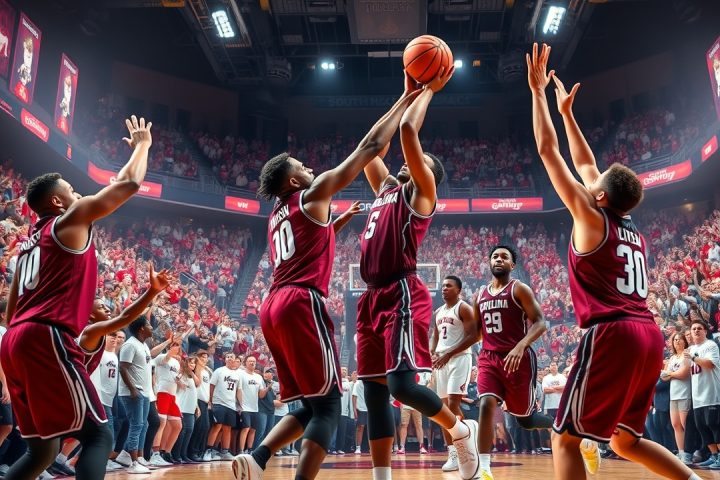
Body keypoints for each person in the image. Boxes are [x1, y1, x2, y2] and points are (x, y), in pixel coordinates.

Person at [232, 75, 423, 480]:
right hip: (300, 302)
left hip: (271, 305)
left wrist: (339, 223)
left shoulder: (277, 214)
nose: (310, 167)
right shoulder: (312, 193)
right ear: (293, 181)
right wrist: (406, 97)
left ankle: (258, 457)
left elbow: (307, 245)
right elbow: (370, 147)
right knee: (330, 407)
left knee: (309, 404)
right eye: (302, 167)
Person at [527, 42, 698, 480]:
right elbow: (585, 162)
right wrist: (567, 115)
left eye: (594, 181)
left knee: (564, 439)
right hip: (649, 334)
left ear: (599, 195)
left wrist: (537, 93)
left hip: (614, 333)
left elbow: (548, 152)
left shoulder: (590, 218)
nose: (589, 176)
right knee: (625, 440)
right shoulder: (627, 223)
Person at [0, 115, 152, 480]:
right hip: (45, 336)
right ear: (57, 201)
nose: (79, 193)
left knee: (43, 450)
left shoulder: (27, 247)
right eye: (71, 189)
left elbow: (10, 312)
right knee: (99, 434)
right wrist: (143, 145)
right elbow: (129, 183)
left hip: (15, 340)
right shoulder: (69, 220)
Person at [357, 67, 480, 480]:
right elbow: (370, 149)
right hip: (370, 296)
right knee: (374, 393)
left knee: (402, 387)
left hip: (401, 292)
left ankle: (460, 429)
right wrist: (403, 96)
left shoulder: (423, 194)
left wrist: (426, 91)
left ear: (427, 174)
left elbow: (408, 131)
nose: (407, 163)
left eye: (417, 162)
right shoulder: (386, 189)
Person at [474, 245, 551, 479]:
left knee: (526, 421)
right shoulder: (480, 295)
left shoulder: (519, 289)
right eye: (495, 256)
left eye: (504, 257)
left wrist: (521, 345)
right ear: (489, 263)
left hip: (517, 359)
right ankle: (484, 468)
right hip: (489, 357)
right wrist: (450, 349)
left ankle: (563, 423)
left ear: (512, 265)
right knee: (486, 404)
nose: (498, 259)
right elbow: (476, 333)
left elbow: (540, 322)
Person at [82, 264, 170, 471]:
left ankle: (126, 458)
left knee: (133, 426)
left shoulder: (140, 345)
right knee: (114, 431)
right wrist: (152, 292)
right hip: (102, 393)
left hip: (124, 393)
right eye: (102, 307)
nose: (107, 310)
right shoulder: (97, 335)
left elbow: (124, 319)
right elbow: (124, 319)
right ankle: (130, 460)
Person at [430, 275, 477, 472]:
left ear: (458, 290)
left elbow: (474, 336)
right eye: (443, 286)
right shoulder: (438, 312)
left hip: (459, 358)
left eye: (448, 286)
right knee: (442, 410)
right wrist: (433, 352)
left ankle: (464, 449)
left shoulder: (464, 308)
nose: (444, 289)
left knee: (452, 405)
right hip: (442, 360)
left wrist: (448, 354)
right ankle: (453, 453)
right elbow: (435, 335)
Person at [685, 320, 720, 468]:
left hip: (711, 394)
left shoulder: (711, 345)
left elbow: (709, 364)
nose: (696, 331)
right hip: (697, 395)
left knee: (715, 426)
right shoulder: (691, 348)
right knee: (702, 427)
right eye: (693, 329)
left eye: (699, 328)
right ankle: (714, 456)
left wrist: (693, 358)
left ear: (705, 331)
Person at [661, 332, 693, 464]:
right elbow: (663, 377)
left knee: (685, 425)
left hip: (685, 393)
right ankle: (681, 452)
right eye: (675, 340)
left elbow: (684, 374)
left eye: (680, 339)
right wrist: (672, 374)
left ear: (685, 341)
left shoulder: (687, 354)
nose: (677, 341)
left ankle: (688, 453)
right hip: (673, 395)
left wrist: (670, 374)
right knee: (676, 424)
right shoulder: (673, 358)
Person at [207, 353, 242, 461]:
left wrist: (241, 405)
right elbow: (211, 386)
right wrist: (210, 400)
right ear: (225, 359)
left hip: (231, 405)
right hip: (218, 402)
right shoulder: (219, 371)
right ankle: (209, 451)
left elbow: (238, 390)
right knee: (217, 426)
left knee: (227, 428)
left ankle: (224, 452)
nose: (230, 358)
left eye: (232, 357)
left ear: (235, 360)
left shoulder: (237, 375)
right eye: (228, 357)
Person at [238, 356, 267, 453]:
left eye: (254, 361)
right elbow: (238, 390)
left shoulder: (258, 377)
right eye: (250, 361)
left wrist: (267, 388)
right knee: (246, 428)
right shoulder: (241, 374)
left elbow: (261, 395)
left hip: (255, 407)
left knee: (253, 429)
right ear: (245, 363)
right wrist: (240, 405)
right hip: (244, 407)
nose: (252, 363)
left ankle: (249, 450)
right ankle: (241, 450)